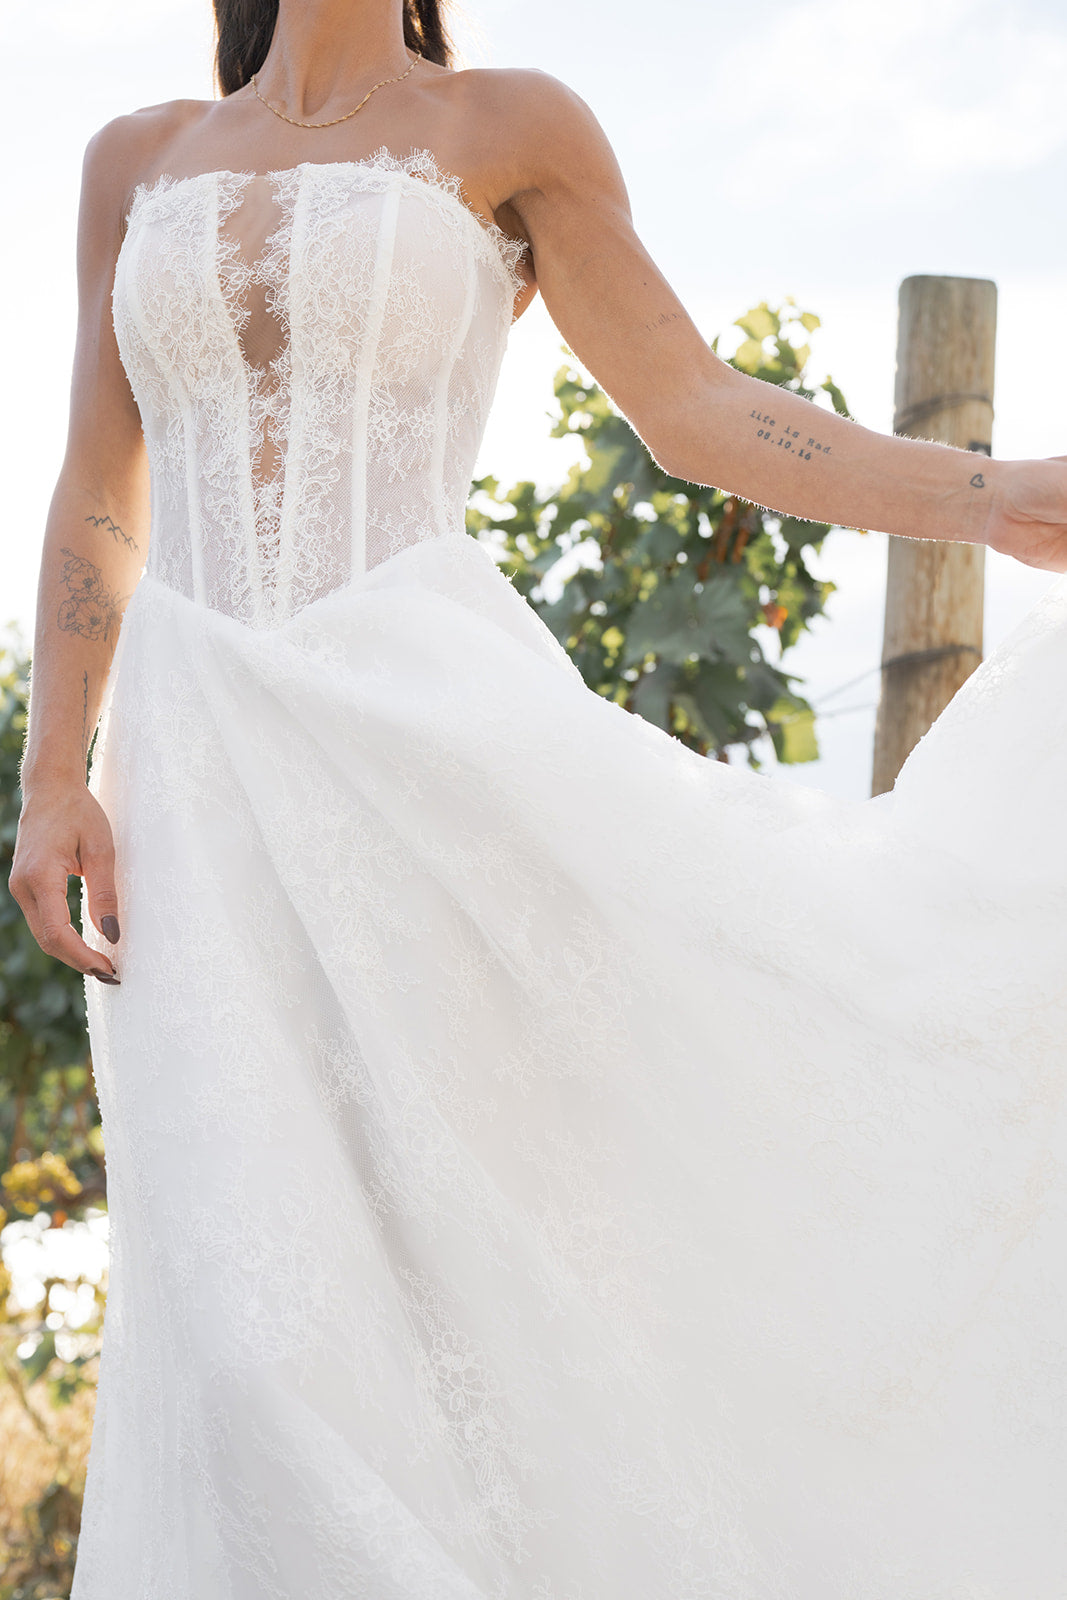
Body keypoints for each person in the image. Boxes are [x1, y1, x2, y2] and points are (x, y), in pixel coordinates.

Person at [10, 0, 1067, 1594]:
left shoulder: (512, 125)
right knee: (242, 1345)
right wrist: (52, 774)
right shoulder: (132, 161)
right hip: (197, 791)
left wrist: (986, 497)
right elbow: (103, 485)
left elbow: (695, 409)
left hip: (433, 772)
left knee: (457, 1304)